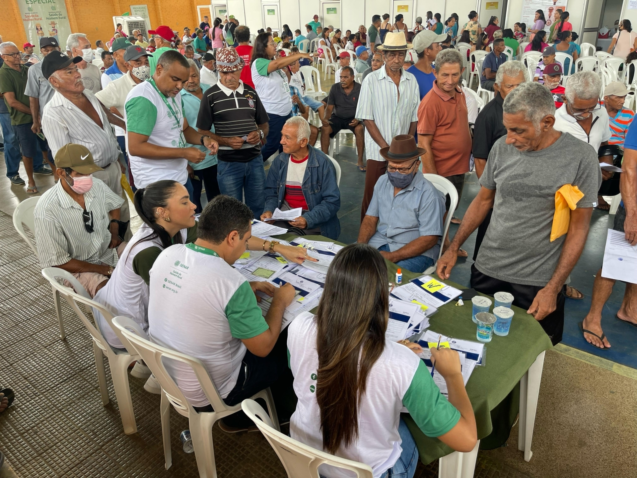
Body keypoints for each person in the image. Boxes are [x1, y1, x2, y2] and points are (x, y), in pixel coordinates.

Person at [288, 243, 477, 477]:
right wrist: (453, 375)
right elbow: (467, 440)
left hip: (304, 460)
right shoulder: (403, 364)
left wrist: (389, 352)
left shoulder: (298, 326)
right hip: (368, 471)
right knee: (411, 429)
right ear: (382, 297)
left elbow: (316, 367)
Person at [438, 83, 601, 345]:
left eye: (518, 130)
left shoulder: (581, 157)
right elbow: (482, 201)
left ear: (547, 122)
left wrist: (553, 287)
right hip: (488, 267)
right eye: (507, 129)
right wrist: (453, 247)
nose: (509, 139)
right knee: (476, 340)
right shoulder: (502, 148)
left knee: (531, 348)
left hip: (538, 279)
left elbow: (579, 228)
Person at [148, 195, 299, 432]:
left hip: (167, 377)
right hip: (213, 393)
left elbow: (195, 291)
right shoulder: (230, 282)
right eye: (246, 241)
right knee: (287, 342)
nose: (244, 247)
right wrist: (279, 301)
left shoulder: (169, 254)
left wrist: (244, 290)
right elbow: (262, 347)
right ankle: (254, 415)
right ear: (232, 237)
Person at [42, 50, 132, 236]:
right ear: (54, 81)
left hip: (113, 169)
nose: (77, 74)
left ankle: (126, 251)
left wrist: (116, 158)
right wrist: (79, 194)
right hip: (90, 180)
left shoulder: (89, 94)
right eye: (69, 72)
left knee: (123, 219)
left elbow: (104, 119)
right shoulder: (54, 113)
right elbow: (63, 160)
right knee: (103, 229)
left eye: (75, 69)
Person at [34, 144, 125, 298]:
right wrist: (104, 270)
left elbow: (114, 205)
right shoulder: (47, 210)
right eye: (80, 174)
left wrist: (114, 230)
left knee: (143, 258)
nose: (88, 178)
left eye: (89, 173)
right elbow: (58, 262)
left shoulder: (97, 186)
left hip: (105, 251)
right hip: (74, 269)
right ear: (61, 173)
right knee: (111, 294)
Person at [125, 50, 218, 194]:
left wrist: (203, 139)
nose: (180, 86)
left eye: (183, 81)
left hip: (178, 176)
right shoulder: (144, 98)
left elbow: (184, 129)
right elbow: (136, 147)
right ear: (159, 69)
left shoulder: (174, 94)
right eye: (175, 79)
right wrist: (184, 152)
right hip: (156, 184)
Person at [581, 119, 637, 349]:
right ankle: (592, 317)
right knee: (615, 263)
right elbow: (629, 169)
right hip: (635, 208)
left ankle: (630, 309)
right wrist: (632, 213)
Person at [196, 48, 268, 218]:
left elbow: (264, 124)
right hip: (228, 164)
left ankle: (256, 235)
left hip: (255, 160)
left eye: (233, 72)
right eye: (223, 73)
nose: (229, 77)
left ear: (241, 68)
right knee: (232, 213)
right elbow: (202, 130)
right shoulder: (211, 96)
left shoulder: (250, 92)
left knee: (258, 207)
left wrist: (260, 134)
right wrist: (226, 141)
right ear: (218, 71)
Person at [356, 32, 419, 221]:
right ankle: (365, 236)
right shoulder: (371, 80)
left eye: (401, 54)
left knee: (400, 195)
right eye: (392, 54)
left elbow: (414, 117)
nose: (397, 59)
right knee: (372, 195)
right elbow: (367, 118)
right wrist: (386, 149)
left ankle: (392, 230)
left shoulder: (411, 81)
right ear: (384, 56)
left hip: (402, 153)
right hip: (378, 151)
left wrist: (405, 146)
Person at [359, 134, 445, 273]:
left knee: (387, 278)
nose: (396, 173)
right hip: (381, 241)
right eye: (392, 168)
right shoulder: (382, 181)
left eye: (403, 169)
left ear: (416, 165)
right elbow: (370, 218)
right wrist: (360, 247)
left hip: (415, 251)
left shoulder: (429, 194)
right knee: (349, 265)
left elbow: (429, 239)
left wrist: (393, 256)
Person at [472, 61, 528, 260]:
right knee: (489, 241)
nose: (516, 91)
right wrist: (490, 195)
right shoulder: (488, 115)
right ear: (497, 87)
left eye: (520, 85)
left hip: (522, 191)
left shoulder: (527, 111)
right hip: (497, 192)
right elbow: (480, 160)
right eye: (510, 86)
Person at [418, 49, 472, 251]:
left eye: (455, 75)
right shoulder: (430, 103)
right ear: (435, 72)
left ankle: (445, 244)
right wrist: (433, 179)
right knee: (437, 212)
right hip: (441, 169)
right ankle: (439, 249)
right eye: (445, 75)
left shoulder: (460, 93)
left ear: (462, 72)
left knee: (449, 209)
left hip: (458, 166)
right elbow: (423, 143)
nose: (450, 81)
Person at [262, 116, 340, 239]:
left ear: (303, 142)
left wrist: (308, 219)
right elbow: (271, 192)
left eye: (287, 137)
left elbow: (332, 202)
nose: (281, 141)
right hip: (284, 217)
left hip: (313, 219)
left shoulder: (323, 164)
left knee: (292, 243)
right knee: (258, 240)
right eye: (282, 135)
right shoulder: (279, 161)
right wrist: (269, 210)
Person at [95, 45, 152, 190]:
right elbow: (95, 103)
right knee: (143, 187)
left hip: (157, 142)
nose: (144, 67)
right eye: (138, 63)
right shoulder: (117, 86)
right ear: (127, 65)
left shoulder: (153, 83)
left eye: (146, 62)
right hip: (136, 146)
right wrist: (122, 123)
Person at [0, 41, 54, 194]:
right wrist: (34, 113)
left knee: (46, 145)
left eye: (18, 53)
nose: (17, 56)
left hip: (38, 115)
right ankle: (27, 179)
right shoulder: (3, 74)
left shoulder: (27, 69)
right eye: (12, 54)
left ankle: (53, 171)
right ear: (4, 57)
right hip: (21, 119)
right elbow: (12, 101)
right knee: (25, 149)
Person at [251, 33, 312, 164]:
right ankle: (252, 167)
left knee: (285, 146)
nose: (275, 45)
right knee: (272, 145)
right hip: (272, 113)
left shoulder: (274, 65)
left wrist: (288, 66)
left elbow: (285, 81)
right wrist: (299, 55)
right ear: (263, 47)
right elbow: (277, 63)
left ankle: (282, 170)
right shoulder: (259, 63)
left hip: (285, 112)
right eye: (271, 43)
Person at [181, 59, 219, 212]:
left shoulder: (211, 90)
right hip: (194, 158)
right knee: (194, 201)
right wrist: (185, 163)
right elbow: (180, 131)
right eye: (187, 77)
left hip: (216, 155)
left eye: (194, 76)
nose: (191, 80)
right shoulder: (177, 98)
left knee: (217, 198)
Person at [321, 67, 365, 171]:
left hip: (353, 118)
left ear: (352, 77)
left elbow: (364, 106)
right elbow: (330, 108)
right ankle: (324, 160)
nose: (342, 80)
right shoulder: (335, 88)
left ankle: (360, 160)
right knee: (325, 129)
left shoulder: (360, 88)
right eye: (341, 77)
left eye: (345, 77)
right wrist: (326, 119)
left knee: (359, 129)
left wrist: (358, 119)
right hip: (337, 117)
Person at [25, 37, 60, 159]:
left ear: (58, 49)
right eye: (46, 50)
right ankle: (57, 171)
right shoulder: (34, 70)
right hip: (48, 117)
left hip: (68, 113)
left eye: (52, 49)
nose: (49, 52)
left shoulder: (67, 65)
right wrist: (35, 121)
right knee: (53, 151)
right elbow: (33, 97)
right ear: (41, 51)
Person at [409, 31, 446, 101]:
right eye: (437, 45)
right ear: (427, 51)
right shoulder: (410, 77)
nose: (440, 48)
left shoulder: (437, 70)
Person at [603, 82, 634, 147]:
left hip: (619, 151)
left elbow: (630, 142)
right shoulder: (596, 108)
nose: (623, 101)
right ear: (606, 98)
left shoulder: (629, 114)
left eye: (624, 97)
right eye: (619, 97)